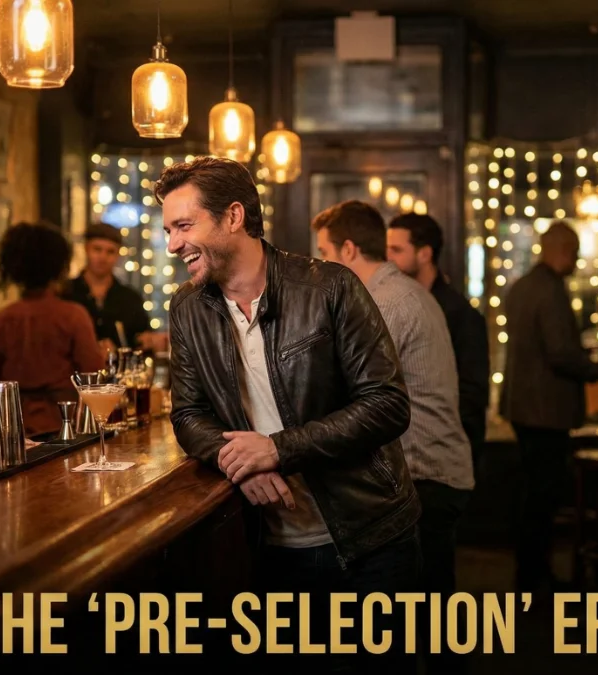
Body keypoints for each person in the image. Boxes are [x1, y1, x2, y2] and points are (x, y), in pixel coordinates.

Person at [155, 158, 421, 675]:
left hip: (369, 538)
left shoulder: (330, 287)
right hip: (271, 547)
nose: (172, 245)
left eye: (183, 226)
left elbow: (387, 404)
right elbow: (188, 414)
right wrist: (239, 460)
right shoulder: (186, 308)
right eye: (168, 230)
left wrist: (276, 449)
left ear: (234, 216)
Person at [315, 201, 475, 675]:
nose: (319, 263)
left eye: (324, 252)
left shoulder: (382, 302)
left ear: (347, 249)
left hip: (423, 473)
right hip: (437, 469)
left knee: (413, 626)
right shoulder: (401, 291)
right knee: (431, 617)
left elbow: (344, 394)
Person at [498, 221, 598, 590]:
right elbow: (560, 352)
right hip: (546, 408)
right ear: (562, 251)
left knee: (532, 492)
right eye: (574, 253)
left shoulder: (521, 286)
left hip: (521, 404)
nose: (576, 262)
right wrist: (596, 370)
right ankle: (536, 575)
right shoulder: (551, 290)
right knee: (543, 495)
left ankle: (528, 571)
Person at [386, 212, 490, 477]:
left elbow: (472, 393)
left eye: (396, 250)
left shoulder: (460, 314)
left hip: (443, 458)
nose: (387, 258)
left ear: (424, 254)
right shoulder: (403, 304)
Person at [0, 222, 104, 437]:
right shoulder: (73, 316)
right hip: (64, 427)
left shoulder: (2, 319)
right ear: (59, 266)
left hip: (13, 429)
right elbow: (93, 377)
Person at [64, 222, 167, 353]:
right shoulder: (66, 292)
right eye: (97, 249)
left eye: (110, 252)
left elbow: (142, 341)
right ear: (86, 249)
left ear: (118, 254)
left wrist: (150, 341)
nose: (103, 257)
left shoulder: (130, 298)